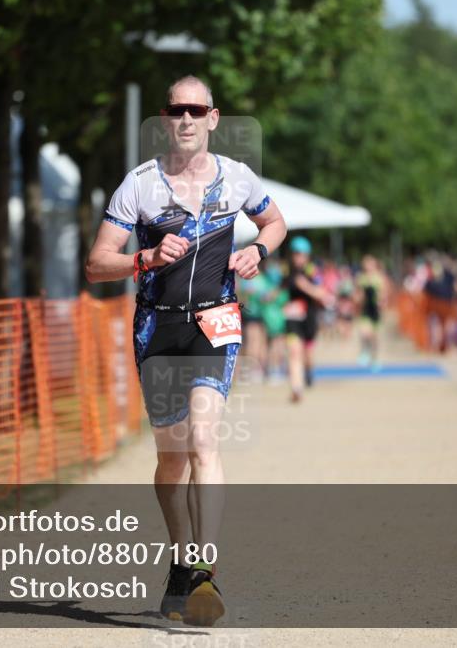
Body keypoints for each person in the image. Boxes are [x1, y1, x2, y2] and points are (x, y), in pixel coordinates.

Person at [84, 75, 287, 626]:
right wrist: (144, 258)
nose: (188, 119)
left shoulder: (237, 178)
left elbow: (275, 222)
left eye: (198, 109)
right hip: (158, 328)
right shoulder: (140, 185)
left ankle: (204, 569)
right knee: (171, 460)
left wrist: (259, 252)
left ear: (214, 118)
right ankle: (180, 561)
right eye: (178, 110)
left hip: (216, 321)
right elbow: (97, 263)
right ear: (165, 118)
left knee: (203, 439)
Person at [283, 236, 333, 402]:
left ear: (307, 255)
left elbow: (321, 293)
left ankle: (309, 373)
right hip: (293, 318)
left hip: (309, 319)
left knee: (308, 355)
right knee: (294, 352)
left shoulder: (313, 271)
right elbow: (279, 290)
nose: (297, 257)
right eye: (295, 254)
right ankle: (296, 388)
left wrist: (306, 286)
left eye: (301, 254)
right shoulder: (288, 272)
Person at [355, 255, 385, 369]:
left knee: (374, 337)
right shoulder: (361, 278)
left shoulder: (379, 278)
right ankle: (365, 352)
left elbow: (383, 293)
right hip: (365, 309)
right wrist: (357, 299)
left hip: (375, 311)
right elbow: (358, 293)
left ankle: (375, 359)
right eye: (366, 264)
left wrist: (381, 301)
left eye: (370, 264)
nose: (368, 266)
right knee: (364, 333)